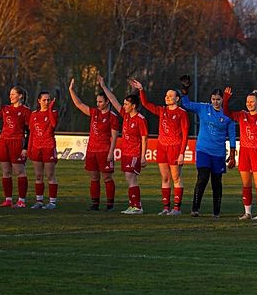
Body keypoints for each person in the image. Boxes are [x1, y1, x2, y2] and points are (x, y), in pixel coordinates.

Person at [133, 78, 189, 215]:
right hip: (162, 147)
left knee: (176, 178)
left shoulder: (182, 113)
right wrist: (141, 90)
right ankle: (165, 208)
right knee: (165, 178)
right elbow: (145, 104)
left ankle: (177, 208)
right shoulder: (162, 111)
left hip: (175, 147)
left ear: (177, 99)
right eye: (166, 96)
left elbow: (185, 134)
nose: (167, 97)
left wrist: (182, 153)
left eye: (170, 96)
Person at [180, 85, 236, 217]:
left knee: (217, 182)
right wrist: (185, 91)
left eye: (218, 99)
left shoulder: (228, 115)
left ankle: (216, 212)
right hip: (203, 150)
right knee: (203, 178)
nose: (215, 102)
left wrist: (232, 153)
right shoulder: (204, 108)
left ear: (223, 100)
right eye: (213, 99)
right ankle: (195, 209)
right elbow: (186, 104)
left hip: (219, 153)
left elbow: (232, 135)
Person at [69, 79, 120, 211]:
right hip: (92, 150)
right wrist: (71, 90)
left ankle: (110, 204)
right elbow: (79, 104)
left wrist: (111, 152)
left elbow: (114, 137)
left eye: (100, 102)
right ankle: (95, 204)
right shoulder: (94, 112)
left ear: (107, 102)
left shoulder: (112, 117)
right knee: (94, 177)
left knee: (107, 178)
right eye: (97, 101)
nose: (98, 104)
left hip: (104, 150)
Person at [99, 78, 148, 214]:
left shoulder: (140, 119)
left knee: (130, 177)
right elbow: (113, 99)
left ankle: (137, 207)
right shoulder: (125, 115)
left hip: (134, 153)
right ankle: (133, 205)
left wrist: (143, 156)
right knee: (129, 178)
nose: (124, 106)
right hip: (126, 152)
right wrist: (104, 87)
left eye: (126, 104)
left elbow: (144, 138)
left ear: (134, 106)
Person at [223, 86, 257, 220]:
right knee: (246, 184)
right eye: (247, 101)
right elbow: (226, 113)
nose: (249, 104)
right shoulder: (242, 115)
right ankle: (247, 213)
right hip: (244, 152)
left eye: (252, 101)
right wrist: (226, 99)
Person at [0, 86, 32, 208]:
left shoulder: (26, 111)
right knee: (6, 172)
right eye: (10, 94)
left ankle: (21, 201)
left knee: (19, 172)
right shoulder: (5, 109)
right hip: (4, 142)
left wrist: (25, 148)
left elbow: (29, 131)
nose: (10, 96)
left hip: (17, 142)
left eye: (13, 94)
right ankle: (8, 200)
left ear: (20, 96)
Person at [27, 90, 60, 209]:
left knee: (50, 175)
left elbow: (54, 124)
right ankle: (39, 201)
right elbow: (31, 133)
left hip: (48, 147)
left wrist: (50, 109)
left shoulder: (53, 112)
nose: (46, 102)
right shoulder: (34, 114)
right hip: (36, 148)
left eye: (48, 100)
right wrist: (29, 149)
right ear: (39, 101)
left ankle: (52, 202)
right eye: (44, 100)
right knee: (38, 176)